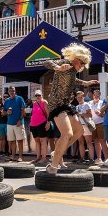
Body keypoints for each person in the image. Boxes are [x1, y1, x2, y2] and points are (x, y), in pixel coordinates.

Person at [43, 43, 98, 174]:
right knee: (67, 133)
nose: (83, 67)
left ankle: (57, 152)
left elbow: (74, 81)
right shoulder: (66, 62)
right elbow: (47, 62)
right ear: (77, 60)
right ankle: (53, 167)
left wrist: (86, 83)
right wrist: (58, 67)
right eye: (82, 64)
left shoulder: (73, 71)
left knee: (79, 131)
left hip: (66, 104)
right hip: (56, 103)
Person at [2, 86, 26, 162]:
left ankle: (20, 156)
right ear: (8, 92)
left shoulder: (19, 99)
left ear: (15, 91)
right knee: (12, 141)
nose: (12, 92)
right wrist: (6, 112)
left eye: (13, 91)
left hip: (18, 123)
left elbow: (23, 111)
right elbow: (3, 112)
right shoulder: (7, 101)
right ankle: (13, 156)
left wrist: (20, 120)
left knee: (19, 140)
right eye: (10, 91)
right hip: (9, 123)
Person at [29, 90, 50, 164]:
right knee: (37, 141)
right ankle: (38, 157)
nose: (38, 97)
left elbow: (48, 114)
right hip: (33, 125)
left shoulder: (44, 102)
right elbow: (33, 114)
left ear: (42, 95)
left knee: (43, 141)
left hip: (42, 124)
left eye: (39, 95)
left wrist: (48, 123)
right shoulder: (34, 103)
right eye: (36, 95)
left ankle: (44, 158)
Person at [88, 90, 108, 165]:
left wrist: (99, 114)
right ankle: (99, 158)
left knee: (103, 141)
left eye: (98, 95)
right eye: (95, 95)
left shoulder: (102, 102)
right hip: (92, 124)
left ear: (99, 95)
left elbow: (105, 115)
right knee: (96, 141)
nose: (96, 96)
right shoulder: (89, 103)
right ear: (93, 95)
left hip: (101, 123)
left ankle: (106, 159)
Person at [76, 91, 95, 164]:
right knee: (80, 142)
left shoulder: (86, 104)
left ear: (83, 97)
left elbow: (90, 115)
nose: (79, 99)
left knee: (89, 142)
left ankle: (91, 159)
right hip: (79, 126)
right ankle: (82, 158)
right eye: (78, 97)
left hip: (86, 125)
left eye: (81, 97)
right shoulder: (76, 107)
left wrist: (81, 114)